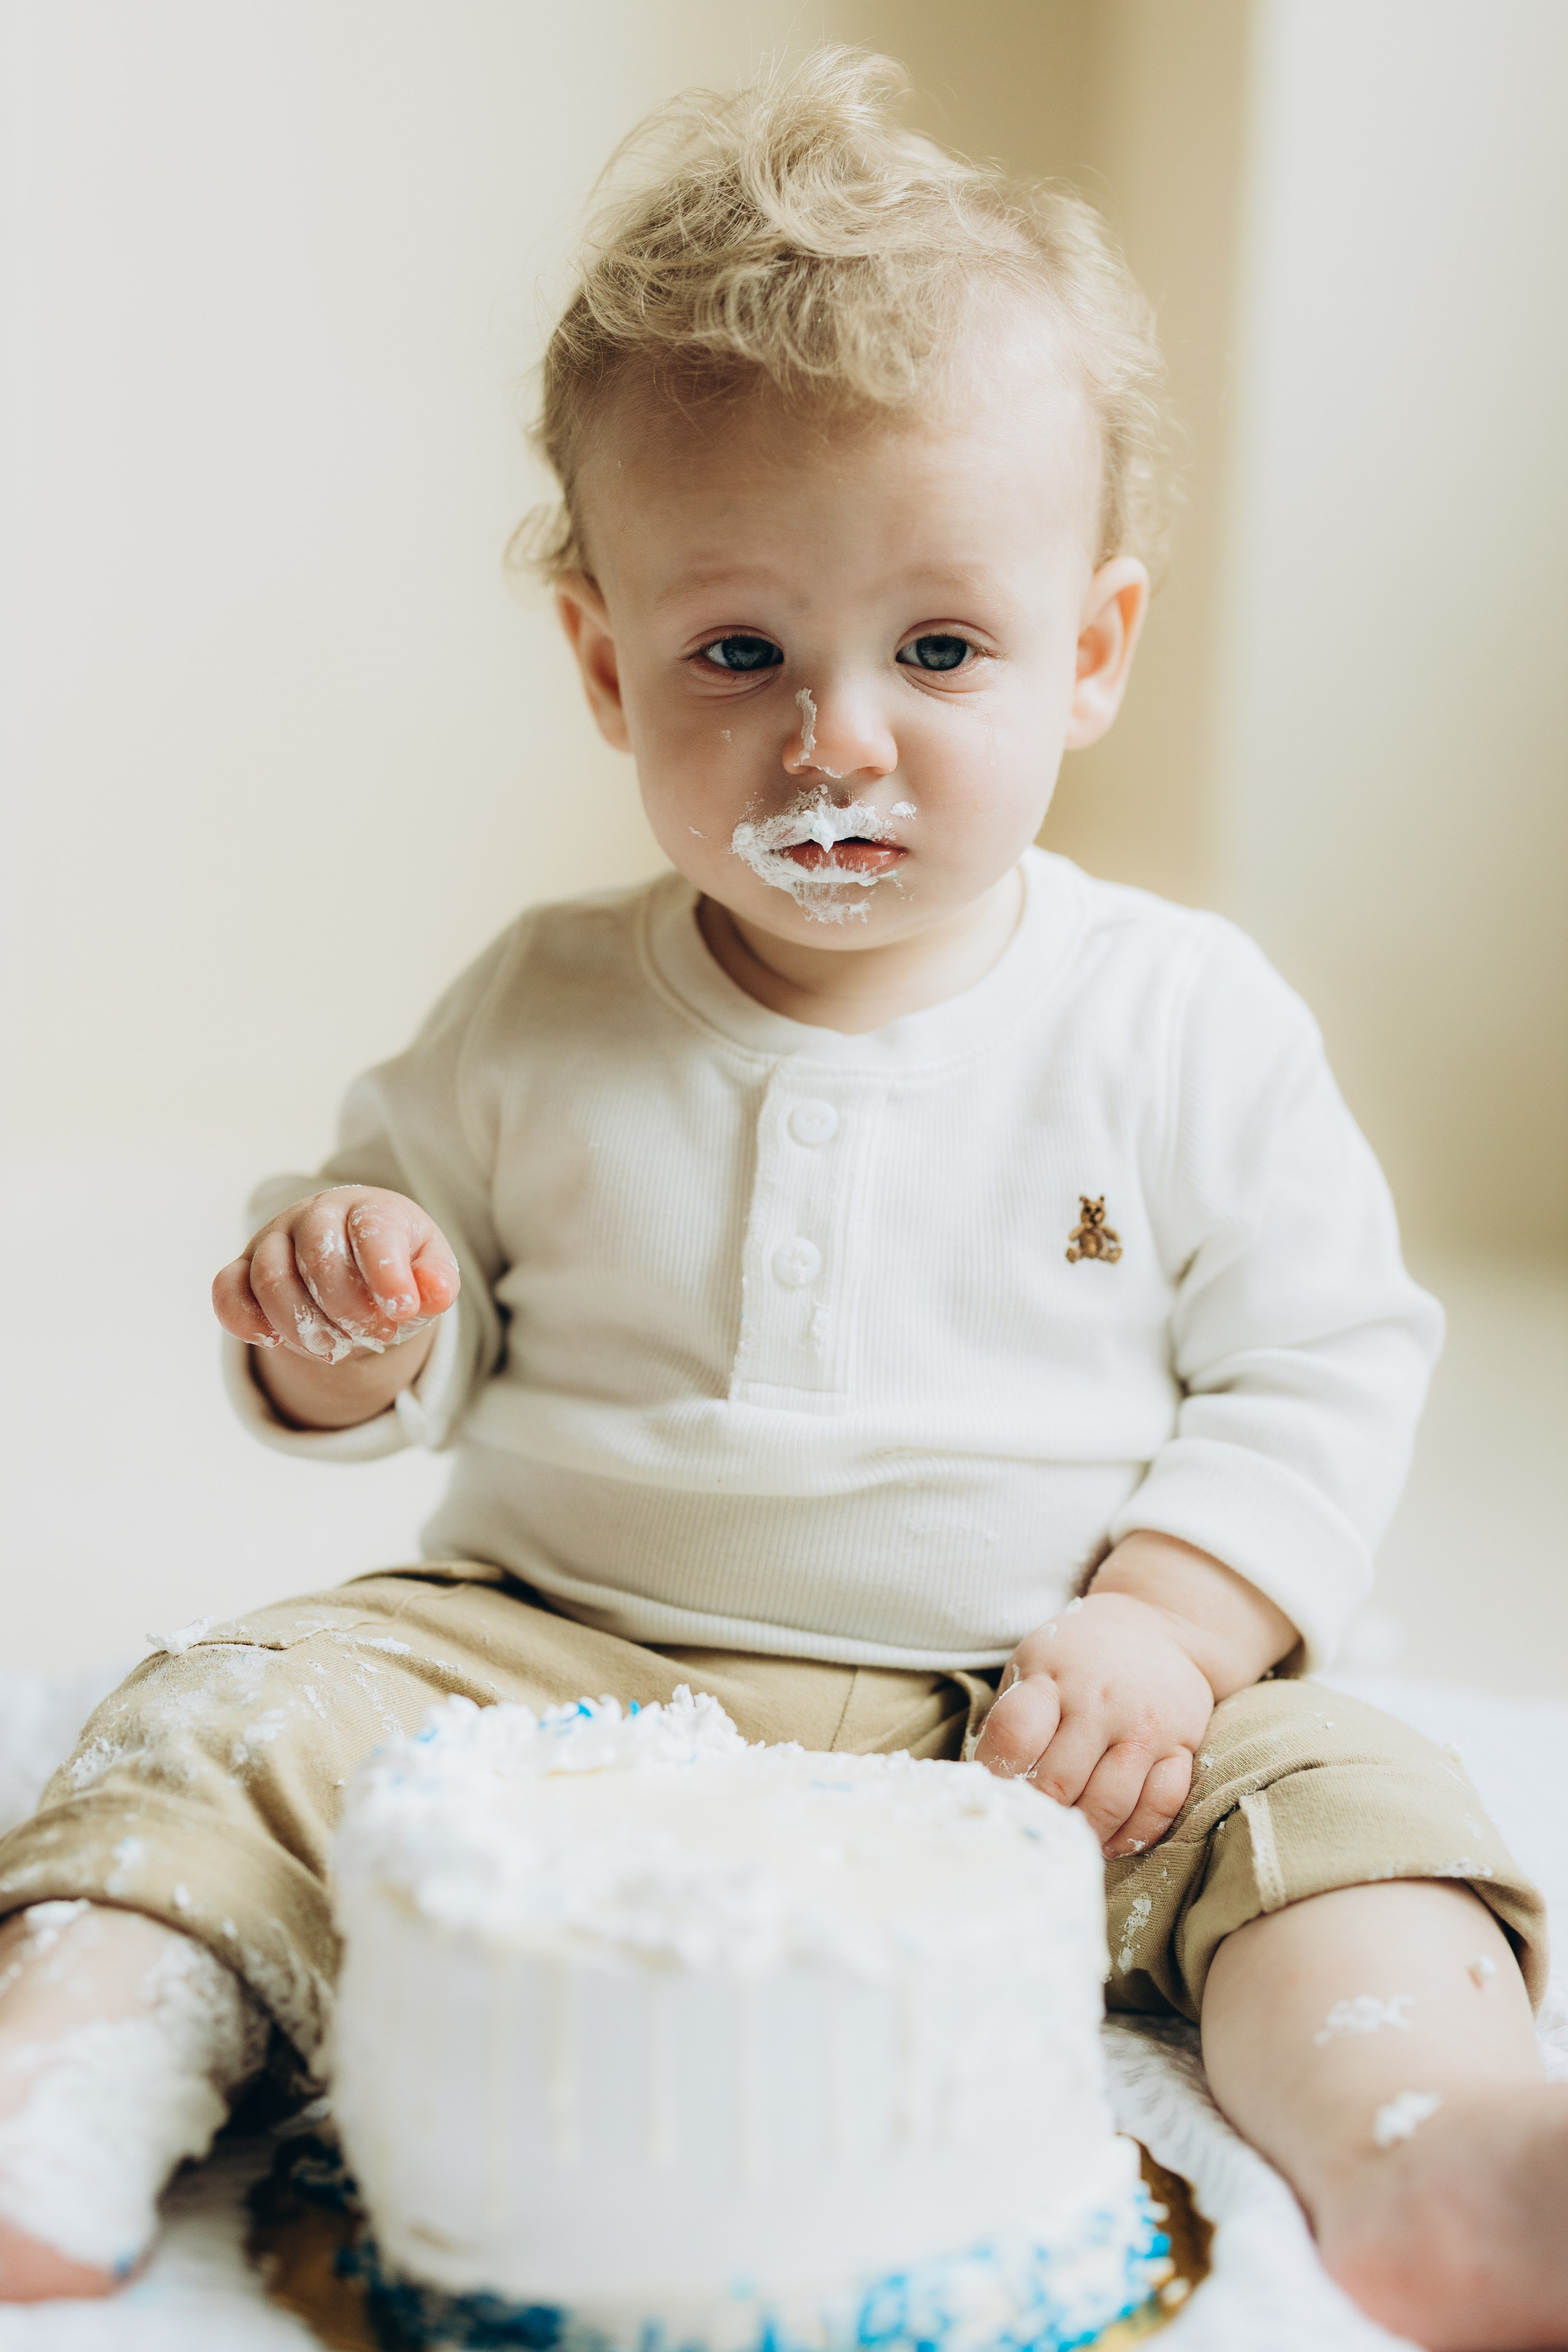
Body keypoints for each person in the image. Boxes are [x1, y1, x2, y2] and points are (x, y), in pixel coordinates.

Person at [1, 51, 1561, 2345]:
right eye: (741, 654)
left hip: (1058, 1694)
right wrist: (341, 1329)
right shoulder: (537, 1006)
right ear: (608, 662)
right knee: (238, 1705)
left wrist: (1172, 1623)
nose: (837, 739)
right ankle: (81, 2055)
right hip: (561, 1662)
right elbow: (387, 1313)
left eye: (940, 651)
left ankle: (1439, 2136)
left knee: (1339, 1799)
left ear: (1091, 651)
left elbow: (1324, 1357)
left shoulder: (1180, 1018)